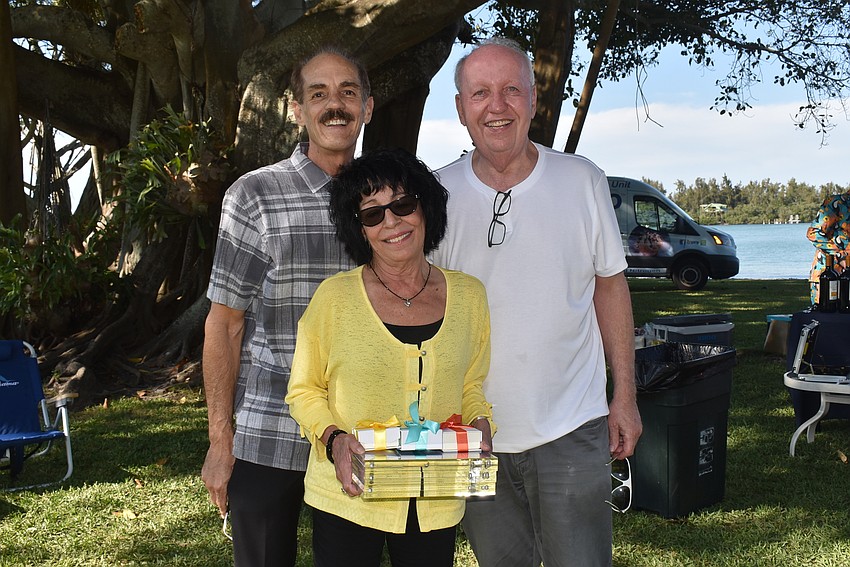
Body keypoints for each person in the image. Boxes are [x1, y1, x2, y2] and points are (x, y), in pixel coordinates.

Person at [430, 38, 643, 567]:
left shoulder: (581, 180)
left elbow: (610, 288)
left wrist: (626, 397)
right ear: (460, 109)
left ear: (533, 98)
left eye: (510, 90)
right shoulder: (434, 196)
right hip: (474, 437)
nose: (496, 106)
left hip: (571, 428)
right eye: (480, 93)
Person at [201, 47, 373, 566]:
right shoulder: (254, 196)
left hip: (361, 433)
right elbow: (224, 324)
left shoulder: (388, 199)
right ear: (296, 109)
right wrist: (218, 440)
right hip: (267, 430)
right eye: (317, 94)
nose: (334, 105)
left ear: (368, 105)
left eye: (347, 91)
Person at [285, 148, 494, 567]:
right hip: (349, 495)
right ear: (359, 229)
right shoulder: (334, 299)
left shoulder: (470, 295)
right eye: (372, 214)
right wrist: (334, 441)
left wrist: (481, 424)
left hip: (434, 498)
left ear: (425, 209)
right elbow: (304, 390)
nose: (392, 222)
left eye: (402, 204)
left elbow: (471, 385)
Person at [806, 192, 850, 304]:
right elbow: (814, 234)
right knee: (825, 318)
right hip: (827, 276)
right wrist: (842, 255)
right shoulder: (836, 203)